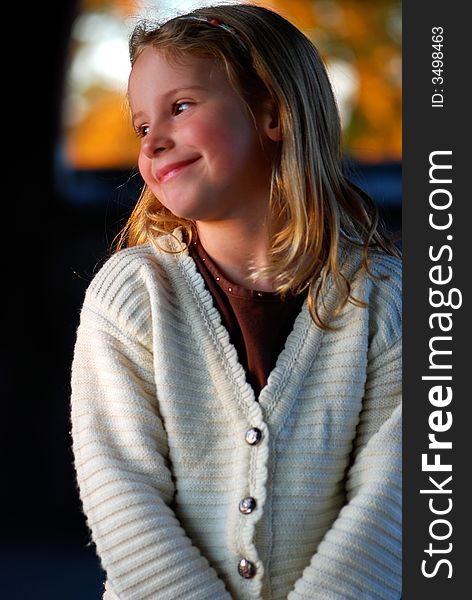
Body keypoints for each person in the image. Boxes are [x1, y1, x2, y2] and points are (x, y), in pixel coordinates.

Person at [70, 4, 402, 599]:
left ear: (272, 113)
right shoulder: (129, 298)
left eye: (180, 107)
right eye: (142, 126)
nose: (155, 141)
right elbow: (120, 491)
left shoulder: (385, 302)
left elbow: (394, 503)